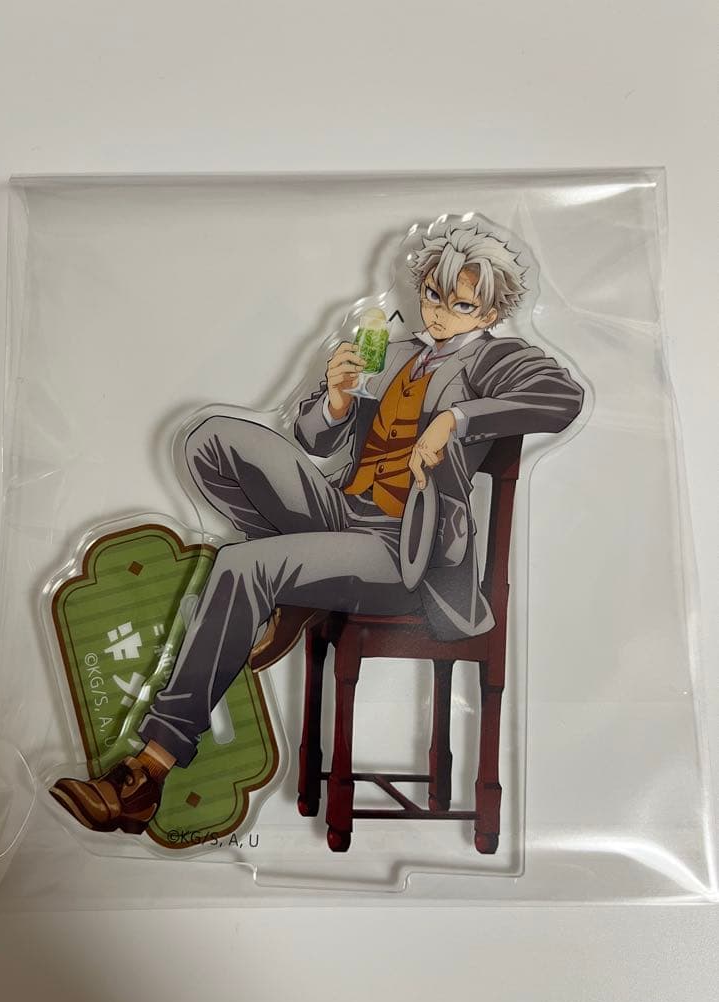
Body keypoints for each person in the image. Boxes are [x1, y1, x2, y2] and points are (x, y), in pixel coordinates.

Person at [50, 222, 584, 835]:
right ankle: (290, 584)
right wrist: (335, 398)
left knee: (242, 565)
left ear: (489, 311)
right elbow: (314, 439)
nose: (439, 313)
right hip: (340, 511)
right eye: (433, 295)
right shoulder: (397, 352)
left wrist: (457, 420)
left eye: (460, 305)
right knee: (210, 441)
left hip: (403, 553)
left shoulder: (495, 359)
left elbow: (562, 397)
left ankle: (150, 769)